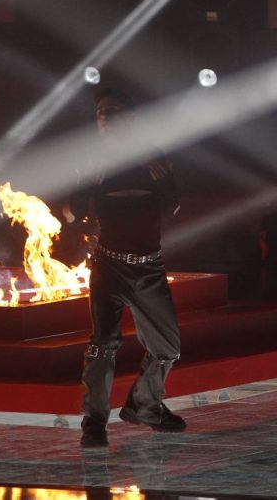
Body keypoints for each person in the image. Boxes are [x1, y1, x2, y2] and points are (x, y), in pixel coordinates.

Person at [65, 88, 185, 447]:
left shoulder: (152, 156)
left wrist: (164, 183)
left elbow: (174, 206)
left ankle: (145, 406)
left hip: (148, 268)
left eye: (113, 109)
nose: (105, 116)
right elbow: (73, 215)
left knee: (168, 347)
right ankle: (94, 423)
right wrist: (87, 187)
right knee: (103, 345)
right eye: (101, 111)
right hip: (108, 267)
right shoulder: (91, 160)